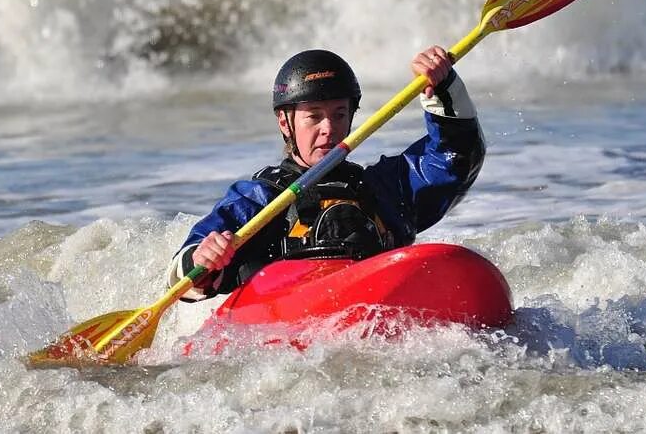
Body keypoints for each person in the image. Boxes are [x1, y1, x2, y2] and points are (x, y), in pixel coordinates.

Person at [166, 46, 485, 300]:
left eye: (339, 114)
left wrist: (444, 88)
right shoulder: (258, 200)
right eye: (313, 117)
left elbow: (454, 159)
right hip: (286, 331)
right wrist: (203, 259)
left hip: (378, 311)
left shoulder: (384, 189)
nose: (328, 129)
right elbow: (183, 277)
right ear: (284, 122)